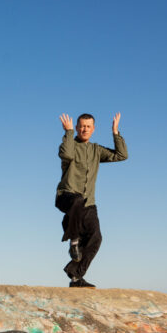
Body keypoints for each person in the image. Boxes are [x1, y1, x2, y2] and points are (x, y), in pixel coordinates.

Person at [55, 112, 128, 288]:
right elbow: (66, 155)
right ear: (77, 128)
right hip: (66, 196)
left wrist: (115, 133)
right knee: (77, 200)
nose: (84, 129)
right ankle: (74, 239)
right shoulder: (70, 144)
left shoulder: (96, 150)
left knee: (96, 238)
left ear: (93, 129)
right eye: (81, 126)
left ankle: (76, 277)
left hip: (88, 203)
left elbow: (121, 155)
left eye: (88, 126)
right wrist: (68, 132)